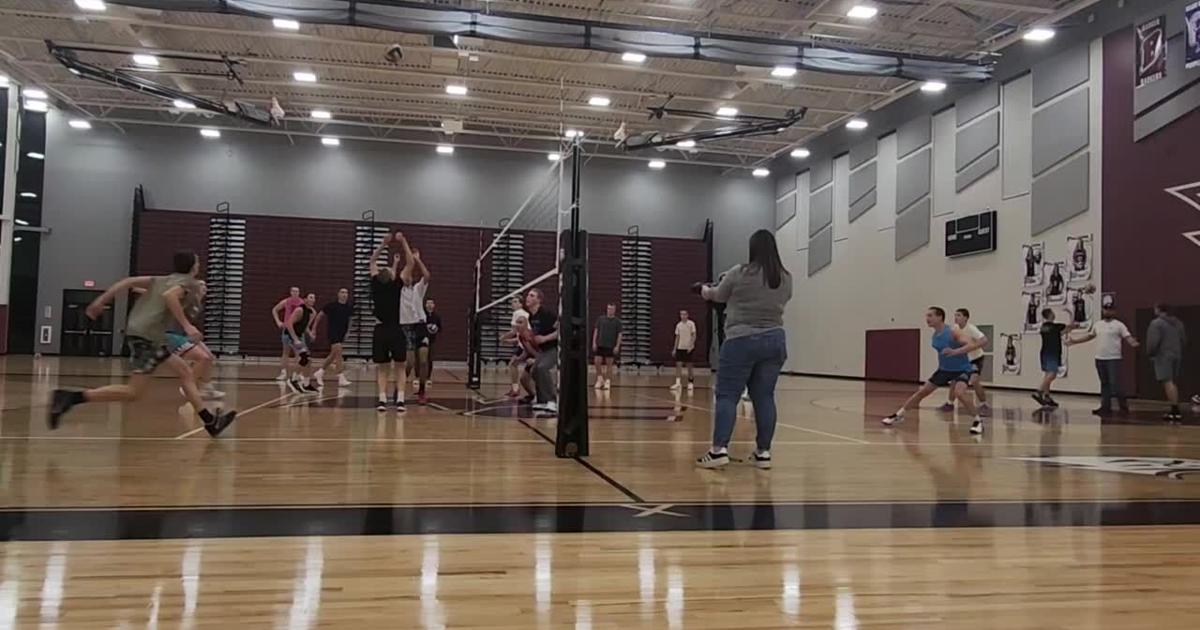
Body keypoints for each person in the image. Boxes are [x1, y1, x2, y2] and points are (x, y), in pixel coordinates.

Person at [48, 251, 238, 436]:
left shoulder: (161, 280)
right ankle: (70, 397)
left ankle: (210, 422)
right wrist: (188, 326)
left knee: (185, 372)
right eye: (197, 263)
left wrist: (100, 301)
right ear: (193, 267)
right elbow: (170, 296)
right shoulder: (188, 283)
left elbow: (127, 282)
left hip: (143, 333)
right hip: (147, 336)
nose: (199, 265)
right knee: (132, 392)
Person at [695, 230, 792, 470]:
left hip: (741, 340)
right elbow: (784, 299)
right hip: (775, 340)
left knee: (728, 395)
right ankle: (763, 452)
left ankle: (718, 450)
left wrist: (703, 290)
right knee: (765, 397)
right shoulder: (785, 277)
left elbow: (717, 295)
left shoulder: (739, 272)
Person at [882, 307, 988, 435]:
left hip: (962, 369)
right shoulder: (935, 336)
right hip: (944, 370)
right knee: (922, 392)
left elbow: (973, 343)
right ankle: (898, 415)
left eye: (930, 316)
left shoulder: (953, 332)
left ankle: (978, 421)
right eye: (927, 316)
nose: (927, 319)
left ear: (939, 317)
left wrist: (955, 352)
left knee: (959, 393)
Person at [1068, 307, 1138, 415]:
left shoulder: (1119, 325)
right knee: (1104, 384)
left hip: (1113, 358)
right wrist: (1075, 341)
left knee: (1115, 384)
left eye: (1110, 310)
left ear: (1114, 311)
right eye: (1105, 310)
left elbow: (1127, 337)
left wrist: (1132, 342)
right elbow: (1090, 336)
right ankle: (1105, 407)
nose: (1107, 312)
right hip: (1100, 358)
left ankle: (1123, 407)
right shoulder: (1098, 324)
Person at [162, 280, 223, 401]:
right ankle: (188, 388)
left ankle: (207, 388)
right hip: (171, 334)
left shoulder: (199, 304)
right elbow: (167, 298)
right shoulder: (187, 300)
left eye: (206, 284)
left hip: (184, 334)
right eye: (201, 285)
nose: (204, 286)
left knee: (209, 356)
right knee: (203, 358)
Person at [370, 234, 406, 412]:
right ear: (392, 277)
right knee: (400, 367)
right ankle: (400, 400)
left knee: (383, 367)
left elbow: (372, 261)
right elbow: (409, 267)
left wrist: (383, 245)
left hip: (380, 330)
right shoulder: (396, 285)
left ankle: (382, 400)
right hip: (395, 329)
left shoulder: (376, 284)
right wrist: (403, 242)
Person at [396, 236, 431, 405]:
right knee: (408, 363)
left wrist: (418, 260)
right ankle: (399, 389)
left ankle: (422, 390)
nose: (408, 276)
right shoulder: (399, 290)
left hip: (421, 325)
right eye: (406, 274)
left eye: (410, 274)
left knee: (423, 361)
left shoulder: (418, 288)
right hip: (406, 327)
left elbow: (427, 275)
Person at [940, 308, 989, 413]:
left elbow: (984, 340)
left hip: (976, 358)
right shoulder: (954, 329)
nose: (956, 317)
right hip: (963, 360)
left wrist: (971, 347)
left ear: (965, 318)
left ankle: (983, 404)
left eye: (958, 315)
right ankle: (950, 403)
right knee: (954, 381)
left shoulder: (971, 329)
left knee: (974, 381)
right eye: (955, 315)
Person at [1146, 303, 1188, 421]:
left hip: (1163, 356)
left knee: (1167, 382)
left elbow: (1153, 342)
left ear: (1158, 310)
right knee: (1173, 382)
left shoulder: (1156, 323)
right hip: (1177, 354)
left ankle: (1175, 410)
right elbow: (1184, 340)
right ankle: (1175, 409)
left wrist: (1150, 353)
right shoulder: (1178, 323)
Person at [310, 288, 354, 389]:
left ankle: (320, 372)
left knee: (333, 355)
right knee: (339, 353)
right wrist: (314, 328)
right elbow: (319, 315)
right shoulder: (331, 306)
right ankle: (341, 377)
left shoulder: (349, 307)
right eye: (342, 292)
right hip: (332, 332)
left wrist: (348, 332)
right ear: (338, 294)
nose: (344, 294)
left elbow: (350, 320)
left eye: (346, 293)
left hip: (341, 333)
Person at [525, 288, 559, 415]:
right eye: (528, 295)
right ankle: (542, 400)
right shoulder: (531, 316)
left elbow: (560, 330)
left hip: (555, 348)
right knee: (534, 371)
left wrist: (545, 338)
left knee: (543, 368)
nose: (528, 297)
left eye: (531, 295)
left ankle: (552, 401)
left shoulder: (547, 314)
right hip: (543, 350)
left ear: (538, 300)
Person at [1033, 308, 1073, 408]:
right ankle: (1039, 391)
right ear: (1050, 315)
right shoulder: (1056, 326)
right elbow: (1071, 326)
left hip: (1044, 352)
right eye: (1053, 313)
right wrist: (1071, 313)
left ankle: (1047, 396)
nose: (1054, 314)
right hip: (1053, 352)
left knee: (1047, 375)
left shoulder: (1043, 327)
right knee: (1053, 374)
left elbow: (1060, 333)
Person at [284, 292, 320, 394]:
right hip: (290, 335)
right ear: (305, 300)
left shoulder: (312, 312)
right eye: (311, 297)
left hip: (299, 335)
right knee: (304, 356)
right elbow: (289, 324)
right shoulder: (299, 310)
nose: (313, 299)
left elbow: (305, 326)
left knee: (308, 360)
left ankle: (306, 384)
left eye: (314, 297)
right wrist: (295, 339)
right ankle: (293, 379)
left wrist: (310, 334)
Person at [271, 286, 305, 381]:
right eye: (293, 291)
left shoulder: (302, 303)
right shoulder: (286, 301)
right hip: (287, 329)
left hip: (297, 330)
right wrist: (278, 322)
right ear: (290, 292)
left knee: (298, 353)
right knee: (286, 352)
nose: (295, 293)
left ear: (299, 293)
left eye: (297, 291)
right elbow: (274, 310)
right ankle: (283, 372)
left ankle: (297, 373)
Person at [591, 303, 622, 390]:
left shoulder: (617, 322)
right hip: (600, 344)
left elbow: (620, 335)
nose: (610, 310)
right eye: (608, 309)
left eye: (612, 309)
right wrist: (594, 342)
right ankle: (600, 379)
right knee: (597, 362)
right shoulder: (600, 319)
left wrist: (617, 346)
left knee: (609, 364)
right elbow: (596, 331)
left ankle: (607, 381)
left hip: (610, 345)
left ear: (614, 310)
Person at [506, 296, 530, 398]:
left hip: (526, 345)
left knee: (513, 364)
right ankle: (515, 389)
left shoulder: (518, 313)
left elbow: (514, 332)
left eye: (515, 302)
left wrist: (503, 338)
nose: (513, 304)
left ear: (521, 304)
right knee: (514, 364)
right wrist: (511, 340)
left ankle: (516, 389)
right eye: (512, 302)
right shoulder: (525, 314)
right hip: (525, 344)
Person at [671, 309, 697, 392]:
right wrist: (674, 349)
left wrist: (691, 345)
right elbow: (677, 337)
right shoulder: (678, 325)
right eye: (681, 315)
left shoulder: (691, 324)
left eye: (684, 314)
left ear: (687, 315)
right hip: (680, 348)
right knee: (678, 365)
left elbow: (694, 335)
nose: (683, 316)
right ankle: (678, 383)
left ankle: (690, 383)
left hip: (688, 348)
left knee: (689, 366)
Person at [422, 298, 443, 391]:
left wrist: (436, 329)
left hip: (432, 341)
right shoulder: (422, 315)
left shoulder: (437, 317)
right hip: (422, 341)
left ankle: (428, 378)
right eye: (428, 303)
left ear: (434, 305)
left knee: (430, 359)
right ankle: (418, 376)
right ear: (425, 305)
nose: (430, 305)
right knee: (421, 359)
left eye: (431, 303)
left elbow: (440, 328)